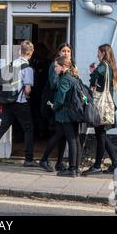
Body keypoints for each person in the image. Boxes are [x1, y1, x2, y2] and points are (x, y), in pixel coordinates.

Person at [0, 40, 38, 167]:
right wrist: (27, 95)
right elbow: (27, 89)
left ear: (19, 51)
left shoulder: (11, 64)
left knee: (3, 127)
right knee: (28, 129)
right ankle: (29, 159)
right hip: (20, 102)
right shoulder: (27, 68)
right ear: (31, 53)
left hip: (7, 102)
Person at [40, 43, 79, 172]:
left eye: (68, 51)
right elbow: (54, 85)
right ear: (59, 53)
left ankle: (59, 162)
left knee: (61, 135)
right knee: (58, 134)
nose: (66, 53)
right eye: (63, 50)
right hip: (57, 103)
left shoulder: (72, 66)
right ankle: (45, 159)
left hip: (65, 107)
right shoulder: (55, 65)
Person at [83, 44, 117, 175]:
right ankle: (115, 164)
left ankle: (97, 166)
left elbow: (94, 79)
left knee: (101, 135)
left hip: (101, 107)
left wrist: (93, 72)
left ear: (103, 53)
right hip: (106, 107)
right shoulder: (109, 67)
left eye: (98, 52)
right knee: (102, 134)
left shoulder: (103, 66)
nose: (97, 55)